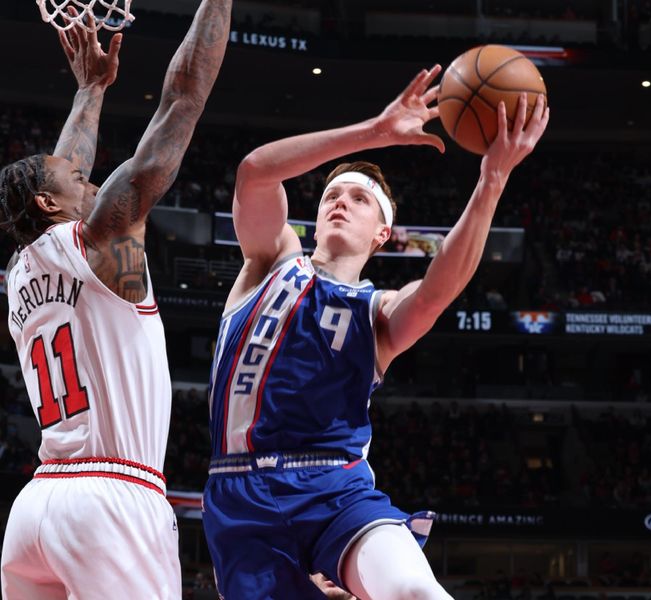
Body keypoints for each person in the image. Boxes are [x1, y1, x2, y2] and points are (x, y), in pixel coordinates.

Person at [203, 64, 549, 599]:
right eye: (331, 196)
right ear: (314, 220)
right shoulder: (269, 263)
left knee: (415, 590)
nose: (340, 201)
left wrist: (493, 179)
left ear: (383, 232)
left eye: (358, 199)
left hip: (334, 487)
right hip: (239, 494)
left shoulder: (378, 311)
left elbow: (437, 290)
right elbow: (255, 173)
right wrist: (376, 133)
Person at [0, 2, 232, 598]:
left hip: (36, 508)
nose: (91, 177)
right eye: (79, 181)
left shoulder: (22, 268)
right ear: (52, 204)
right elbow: (182, 100)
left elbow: (62, 169)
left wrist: (91, 90)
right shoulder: (105, 238)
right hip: (112, 498)